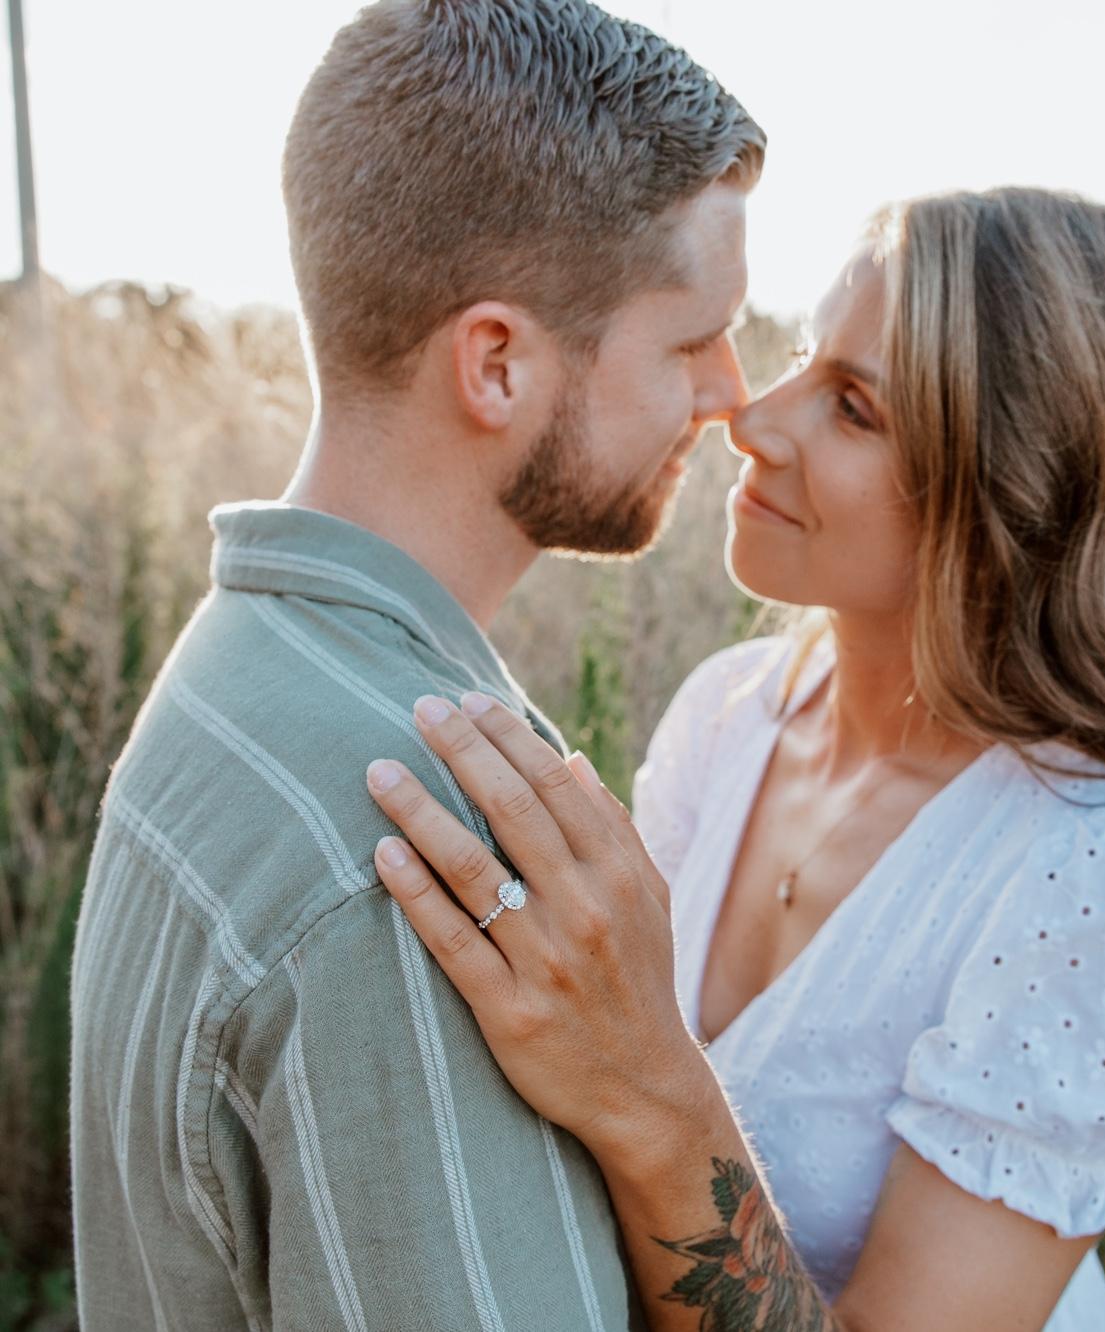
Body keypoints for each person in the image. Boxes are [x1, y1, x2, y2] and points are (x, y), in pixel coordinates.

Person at [364, 189, 1105, 1330]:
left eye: (854, 407)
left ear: (1025, 495)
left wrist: (645, 1088)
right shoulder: (730, 714)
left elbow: (628, 1088)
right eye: (799, 360)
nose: (754, 421)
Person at [68, 1, 763, 1327]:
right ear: (496, 362)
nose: (732, 391)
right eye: (689, 340)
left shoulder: (241, 672)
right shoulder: (435, 853)